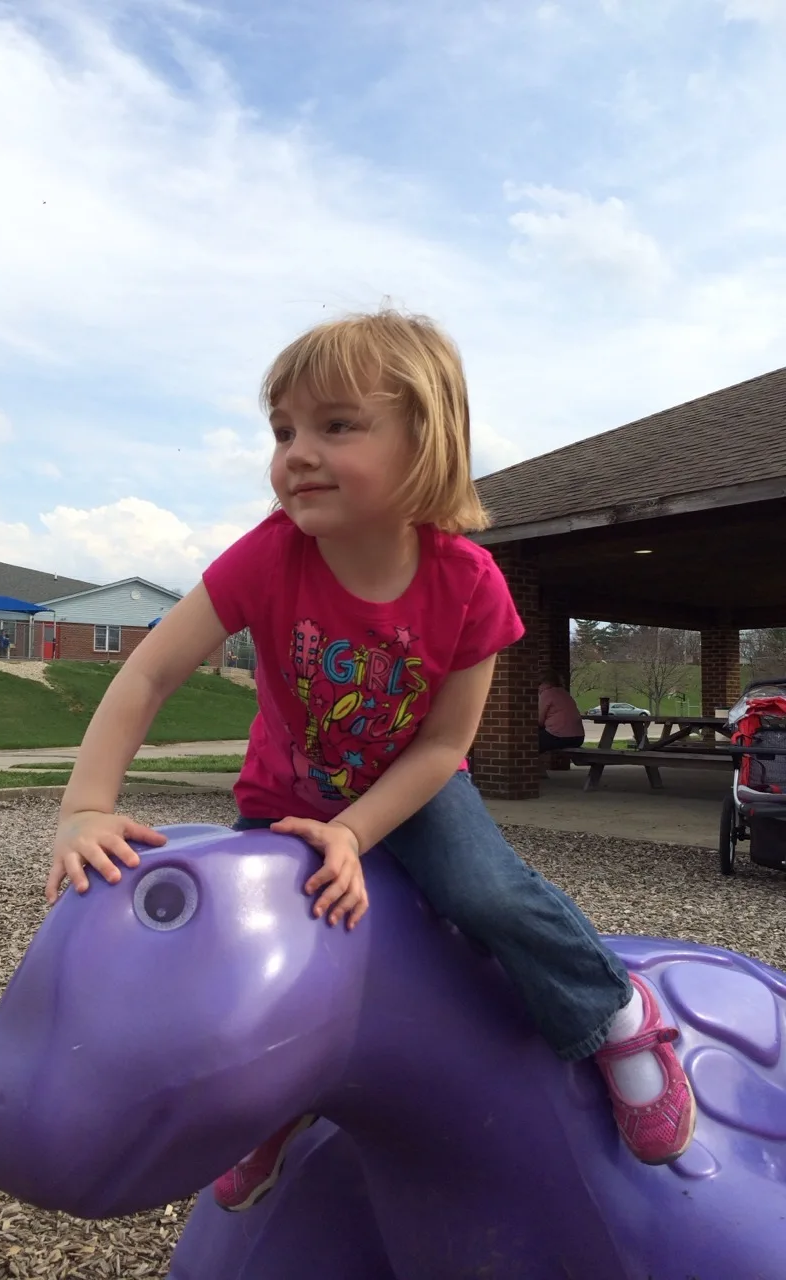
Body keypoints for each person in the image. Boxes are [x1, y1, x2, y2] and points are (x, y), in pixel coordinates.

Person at [45, 309, 695, 1213]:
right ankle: (271, 1098)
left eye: (336, 425)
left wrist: (354, 832)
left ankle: (613, 1014)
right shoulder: (268, 558)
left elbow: (442, 746)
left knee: (485, 896)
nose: (296, 453)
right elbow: (150, 669)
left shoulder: (470, 584)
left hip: (417, 791)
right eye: (283, 431)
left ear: (425, 442)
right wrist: (86, 805)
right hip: (285, 793)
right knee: (257, 947)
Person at [538, 669, 586, 753]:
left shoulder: (547, 693)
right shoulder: (564, 693)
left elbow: (539, 721)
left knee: (527, 741)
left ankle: (522, 765)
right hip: (578, 738)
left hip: (559, 736)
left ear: (543, 682)